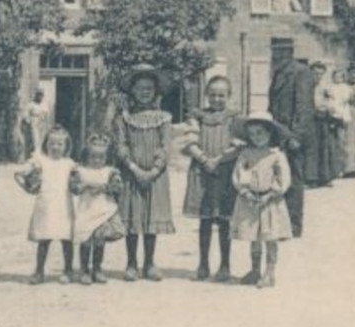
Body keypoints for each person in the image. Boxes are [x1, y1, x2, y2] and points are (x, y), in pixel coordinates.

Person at [113, 65, 175, 281]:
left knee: (151, 219)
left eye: (149, 88)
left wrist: (154, 170)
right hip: (132, 174)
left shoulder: (164, 118)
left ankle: (149, 263)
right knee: (133, 219)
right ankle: (131, 263)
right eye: (140, 88)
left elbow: (166, 147)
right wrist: (135, 168)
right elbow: (120, 145)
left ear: (156, 91)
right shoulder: (124, 117)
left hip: (156, 177)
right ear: (132, 91)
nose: (145, 92)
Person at [182, 74, 242, 282]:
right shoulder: (197, 117)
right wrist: (204, 159)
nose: (217, 99)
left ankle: (225, 265)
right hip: (202, 171)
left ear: (229, 96)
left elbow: (237, 145)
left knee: (224, 220)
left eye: (222, 95)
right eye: (213, 95)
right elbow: (190, 142)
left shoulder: (235, 118)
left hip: (226, 172)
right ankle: (203, 264)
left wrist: (219, 159)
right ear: (206, 95)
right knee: (205, 220)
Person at [229, 113, 294, 290]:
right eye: (253, 134)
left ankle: (270, 272)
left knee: (269, 237)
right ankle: (254, 270)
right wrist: (245, 192)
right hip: (250, 199)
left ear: (270, 133)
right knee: (253, 236)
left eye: (261, 133)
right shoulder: (246, 154)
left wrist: (271, 194)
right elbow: (239, 174)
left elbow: (283, 178)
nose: (257, 137)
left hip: (270, 201)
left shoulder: (276, 155)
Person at [15, 126, 77, 284]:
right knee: (44, 238)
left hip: (64, 206)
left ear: (66, 146)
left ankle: (68, 270)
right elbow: (24, 171)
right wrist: (27, 177)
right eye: (52, 144)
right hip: (46, 205)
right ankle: (39, 271)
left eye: (60, 144)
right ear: (46, 145)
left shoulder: (69, 164)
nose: (55, 147)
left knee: (66, 239)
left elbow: (78, 181)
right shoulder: (41, 161)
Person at [266, 46, 314, 237]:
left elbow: (305, 107)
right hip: (277, 132)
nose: (276, 56)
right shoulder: (279, 73)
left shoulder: (302, 72)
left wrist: (296, 136)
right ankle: (280, 223)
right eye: (274, 53)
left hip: (292, 135)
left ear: (289, 53)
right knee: (278, 177)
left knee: (293, 179)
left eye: (280, 53)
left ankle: (294, 225)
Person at [71, 132, 125, 285]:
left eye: (101, 157)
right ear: (86, 156)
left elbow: (118, 187)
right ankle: (84, 270)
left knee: (99, 240)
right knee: (86, 240)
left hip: (103, 209)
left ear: (106, 158)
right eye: (93, 156)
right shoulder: (80, 171)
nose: (97, 160)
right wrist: (84, 186)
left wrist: (104, 187)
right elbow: (73, 188)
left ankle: (97, 268)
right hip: (86, 210)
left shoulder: (110, 172)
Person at [307, 60, 342, 188]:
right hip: (310, 119)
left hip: (323, 119)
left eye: (321, 74)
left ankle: (325, 177)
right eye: (315, 73)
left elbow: (332, 103)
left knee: (325, 148)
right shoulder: (306, 86)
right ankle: (311, 178)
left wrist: (330, 110)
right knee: (312, 148)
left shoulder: (325, 88)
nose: (318, 76)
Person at [20, 87, 51, 161]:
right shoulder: (31, 105)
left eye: (41, 95)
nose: (40, 97)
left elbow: (47, 115)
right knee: (35, 141)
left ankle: (43, 158)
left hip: (43, 124)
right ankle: (35, 158)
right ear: (36, 95)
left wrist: (48, 124)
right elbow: (25, 115)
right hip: (34, 124)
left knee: (43, 141)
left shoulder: (45, 105)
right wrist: (30, 121)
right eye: (38, 95)